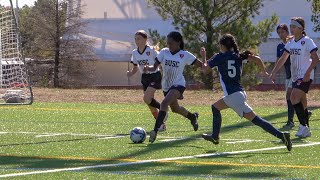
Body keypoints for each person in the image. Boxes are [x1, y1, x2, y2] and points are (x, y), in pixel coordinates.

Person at [201, 33, 292, 151]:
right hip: (238, 93)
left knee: (254, 119)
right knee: (217, 108)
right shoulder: (238, 55)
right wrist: (264, 72)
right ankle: (215, 136)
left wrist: (203, 56)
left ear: (222, 46)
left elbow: (204, 70)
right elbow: (257, 59)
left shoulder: (219, 57)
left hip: (233, 95)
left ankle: (281, 135)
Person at [145, 31, 204, 143]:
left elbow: (203, 66)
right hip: (166, 86)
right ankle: (192, 117)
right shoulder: (164, 52)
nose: (168, 45)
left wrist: (204, 57)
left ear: (178, 43)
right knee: (175, 109)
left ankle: (155, 131)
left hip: (179, 84)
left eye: (171, 43)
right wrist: (149, 68)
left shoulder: (185, 54)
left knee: (164, 103)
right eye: (167, 43)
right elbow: (155, 67)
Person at [270, 17, 319, 138]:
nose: (291, 29)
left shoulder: (307, 41)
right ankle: (305, 127)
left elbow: (316, 59)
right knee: (301, 101)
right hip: (295, 76)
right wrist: (274, 72)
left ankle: (303, 127)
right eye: (290, 26)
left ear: (301, 28)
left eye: (293, 27)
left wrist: (308, 73)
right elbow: (283, 58)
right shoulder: (290, 42)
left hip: (305, 75)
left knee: (293, 97)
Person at [127, 30, 166, 131]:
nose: (136, 41)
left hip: (154, 75)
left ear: (145, 39)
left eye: (139, 38)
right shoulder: (135, 53)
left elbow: (160, 62)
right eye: (135, 39)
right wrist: (130, 73)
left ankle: (163, 110)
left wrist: (150, 67)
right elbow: (135, 68)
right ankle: (160, 123)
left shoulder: (151, 50)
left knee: (146, 98)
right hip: (145, 78)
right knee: (148, 101)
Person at [276, 24, 312, 129]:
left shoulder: (299, 42)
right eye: (278, 33)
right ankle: (305, 115)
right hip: (289, 73)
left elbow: (312, 57)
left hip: (298, 74)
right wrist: (275, 72)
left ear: (287, 32)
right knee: (300, 97)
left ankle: (292, 121)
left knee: (290, 96)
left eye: (282, 32)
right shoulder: (281, 45)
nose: (280, 34)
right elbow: (280, 59)